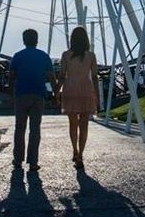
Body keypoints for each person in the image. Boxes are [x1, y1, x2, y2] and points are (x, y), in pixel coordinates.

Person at [8, 29, 56, 172]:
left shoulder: (17, 56)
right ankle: (33, 162)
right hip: (38, 95)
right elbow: (51, 77)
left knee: (19, 128)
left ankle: (17, 160)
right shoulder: (43, 56)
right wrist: (55, 93)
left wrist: (11, 95)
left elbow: (11, 77)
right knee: (35, 130)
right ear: (37, 40)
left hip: (21, 94)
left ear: (24, 40)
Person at [56, 26, 99, 170]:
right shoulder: (91, 56)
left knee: (73, 124)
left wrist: (56, 91)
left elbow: (62, 76)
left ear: (72, 39)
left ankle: (74, 150)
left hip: (70, 89)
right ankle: (81, 154)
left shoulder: (66, 55)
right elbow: (94, 77)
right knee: (84, 125)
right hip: (86, 90)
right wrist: (97, 95)